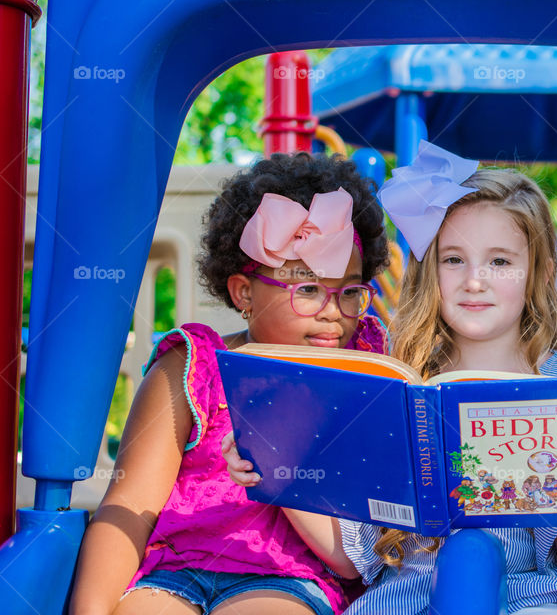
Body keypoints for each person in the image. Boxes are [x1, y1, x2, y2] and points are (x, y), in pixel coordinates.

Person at [227, 141, 557, 614]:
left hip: (527, 594)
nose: (474, 280)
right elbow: (349, 559)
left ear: (536, 271)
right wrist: (276, 464)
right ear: (429, 271)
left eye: (500, 261)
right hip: (408, 595)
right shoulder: (392, 379)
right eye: (453, 259)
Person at [70, 152, 391, 615]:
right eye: (307, 288)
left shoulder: (365, 367)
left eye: (350, 291)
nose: (331, 311)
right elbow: (128, 505)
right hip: (175, 571)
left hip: (287, 577)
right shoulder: (193, 367)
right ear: (244, 292)